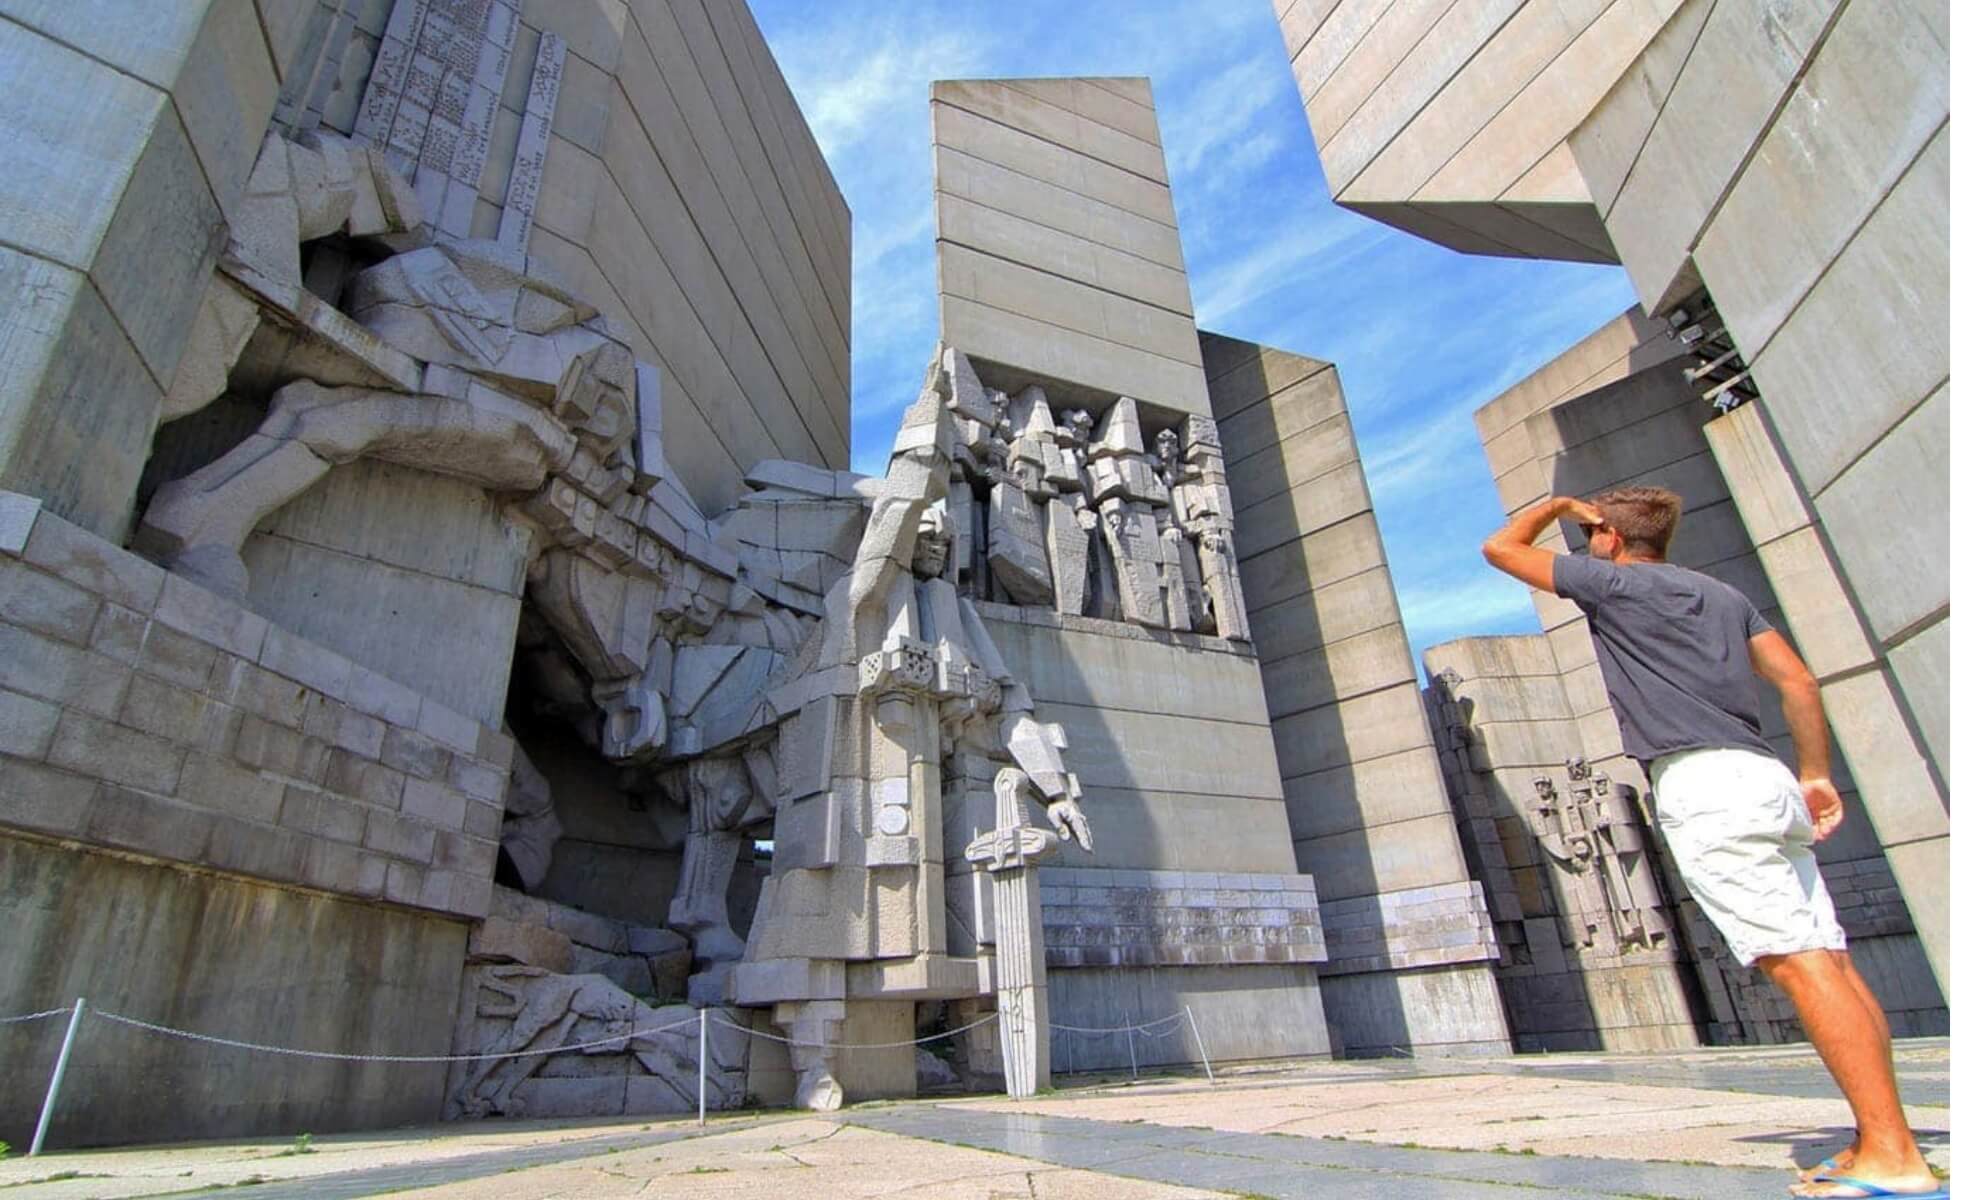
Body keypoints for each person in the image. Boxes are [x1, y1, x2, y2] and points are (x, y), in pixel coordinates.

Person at [1482, 486, 1944, 1200]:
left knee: (1797, 965)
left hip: (1703, 780)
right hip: (1765, 774)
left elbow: (1500, 549)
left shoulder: (1612, 582)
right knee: (1829, 962)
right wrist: (1816, 773)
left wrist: (1555, 507)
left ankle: (1893, 1154)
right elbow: (1797, 679)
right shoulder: (1723, 596)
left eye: (1592, 532)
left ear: (1606, 535)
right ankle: (1876, 1140)